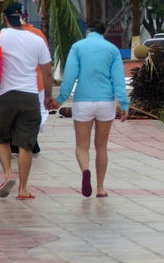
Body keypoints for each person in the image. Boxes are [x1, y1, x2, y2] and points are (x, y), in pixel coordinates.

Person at [0, 2, 57, 200]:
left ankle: (7, 174)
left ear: (6, 18)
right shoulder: (36, 39)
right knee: (26, 144)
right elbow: (47, 73)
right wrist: (48, 96)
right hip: (29, 96)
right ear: (24, 17)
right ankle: (23, 189)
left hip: (3, 95)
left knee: (1, 137)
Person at [56, 19, 129, 198]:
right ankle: (101, 188)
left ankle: (85, 171)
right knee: (101, 146)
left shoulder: (78, 47)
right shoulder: (112, 50)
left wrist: (59, 99)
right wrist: (124, 104)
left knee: (82, 146)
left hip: (83, 102)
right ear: (103, 32)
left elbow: (70, 77)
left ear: (87, 30)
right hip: (106, 102)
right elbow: (119, 81)